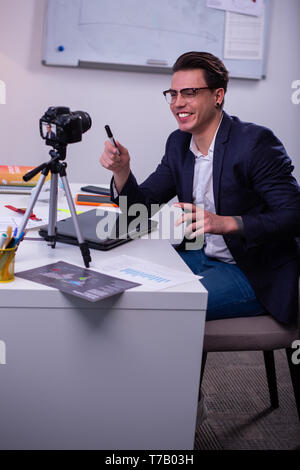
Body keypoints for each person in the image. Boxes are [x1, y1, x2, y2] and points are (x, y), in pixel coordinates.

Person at [100, 51, 300, 325]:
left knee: (154, 312)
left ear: (218, 96)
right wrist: (121, 171)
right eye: (173, 94)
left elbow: (293, 216)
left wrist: (227, 223)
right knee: (121, 288)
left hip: (251, 271)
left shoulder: (255, 144)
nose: (178, 103)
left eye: (189, 93)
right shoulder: (179, 144)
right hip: (200, 255)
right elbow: (140, 210)